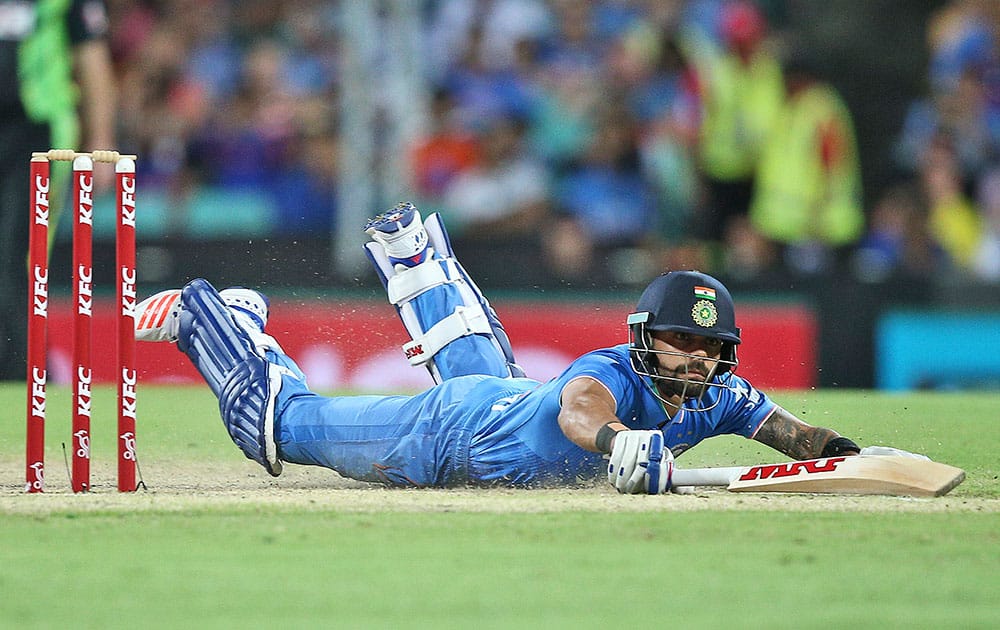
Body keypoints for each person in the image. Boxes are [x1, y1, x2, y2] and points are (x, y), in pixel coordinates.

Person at [134, 203, 921, 494]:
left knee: (476, 359)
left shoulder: (721, 394)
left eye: (707, 349)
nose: (692, 362)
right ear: (645, 342)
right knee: (275, 426)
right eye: (678, 343)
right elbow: (582, 411)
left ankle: (418, 260)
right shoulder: (608, 374)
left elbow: (790, 436)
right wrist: (622, 446)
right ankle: (221, 318)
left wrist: (843, 454)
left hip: (498, 400)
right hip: (449, 439)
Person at [0, 0, 117, 380]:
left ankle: (22, 377)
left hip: (38, 135)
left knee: (17, 260)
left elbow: (92, 56)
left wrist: (100, 141)